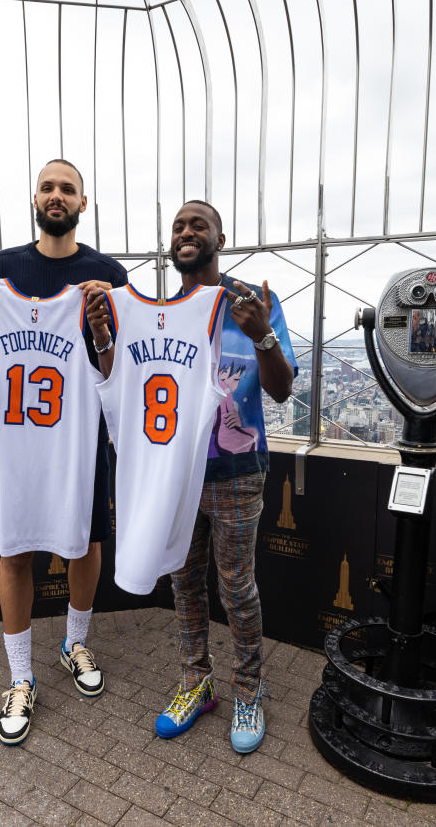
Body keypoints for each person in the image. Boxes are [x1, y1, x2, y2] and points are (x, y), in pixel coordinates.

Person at [0, 159, 127, 745]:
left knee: (87, 544)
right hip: (19, 442)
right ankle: (20, 676)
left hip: (79, 440)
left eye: (68, 189)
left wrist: (107, 320)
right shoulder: (2, 269)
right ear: (35, 196)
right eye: (49, 187)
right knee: (16, 551)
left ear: (84, 202)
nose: (57, 196)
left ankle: (75, 642)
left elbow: (117, 363)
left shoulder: (105, 273)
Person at [140, 200, 296, 753]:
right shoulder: (158, 311)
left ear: (220, 238)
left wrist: (262, 336)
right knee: (184, 583)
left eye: (197, 225)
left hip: (236, 472)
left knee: (235, 587)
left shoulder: (253, 305)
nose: (186, 232)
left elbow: (280, 390)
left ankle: (249, 688)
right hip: (177, 475)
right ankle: (195, 682)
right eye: (178, 226)